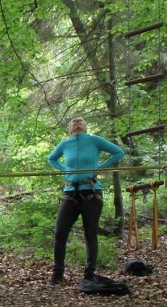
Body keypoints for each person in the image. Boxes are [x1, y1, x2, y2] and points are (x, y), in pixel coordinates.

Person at [46, 117, 125, 286]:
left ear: (85, 126)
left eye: (80, 121)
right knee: (60, 233)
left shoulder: (94, 140)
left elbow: (118, 152)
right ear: (69, 128)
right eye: (73, 122)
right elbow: (51, 158)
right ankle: (57, 274)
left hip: (91, 191)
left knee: (90, 233)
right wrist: (64, 169)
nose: (77, 122)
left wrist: (100, 168)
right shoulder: (65, 144)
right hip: (69, 193)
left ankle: (89, 274)